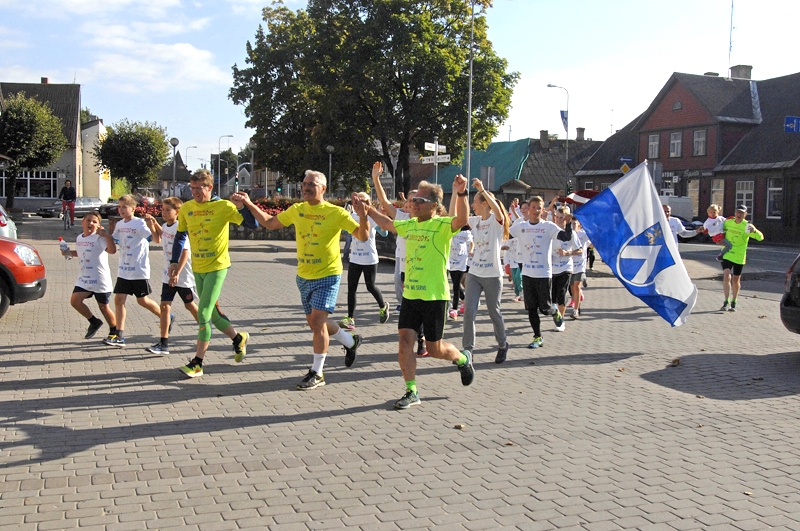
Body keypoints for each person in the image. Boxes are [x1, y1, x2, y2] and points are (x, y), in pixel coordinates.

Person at [232, 169, 369, 390]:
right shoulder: (297, 210)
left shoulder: (336, 213)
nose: (305, 187)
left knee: (317, 323)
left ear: (323, 189)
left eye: (311, 184)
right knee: (316, 323)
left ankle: (317, 372)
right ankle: (350, 341)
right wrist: (249, 203)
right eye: (304, 184)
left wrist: (362, 216)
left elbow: (362, 236)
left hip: (328, 274)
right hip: (304, 275)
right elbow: (269, 222)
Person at [366, 174, 474, 410]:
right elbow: (386, 223)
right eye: (413, 200)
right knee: (405, 341)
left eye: (419, 201)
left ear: (434, 206)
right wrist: (366, 209)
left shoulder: (443, 225)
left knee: (435, 349)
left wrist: (463, 193)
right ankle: (411, 391)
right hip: (411, 296)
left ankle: (462, 358)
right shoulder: (410, 224)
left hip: (435, 297)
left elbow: (463, 218)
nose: (413, 204)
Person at [170, 170, 250, 378]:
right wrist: (173, 261)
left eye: (199, 188)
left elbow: (253, 224)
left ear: (210, 187)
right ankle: (237, 338)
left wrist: (243, 207)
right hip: (198, 267)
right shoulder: (187, 208)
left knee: (203, 313)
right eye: (192, 188)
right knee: (213, 315)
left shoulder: (223, 206)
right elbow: (180, 236)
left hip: (218, 266)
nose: (195, 192)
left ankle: (197, 363)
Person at [370, 162, 427, 356]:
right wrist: (376, 179)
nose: (412, 204)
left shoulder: (425, 221)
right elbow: (385, 203)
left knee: (416, 305)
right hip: (401, 268)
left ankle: (421, 339)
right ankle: (415, 335)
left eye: (416, 200)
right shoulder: (401, 217)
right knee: (404, 303)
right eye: (409, 201)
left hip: (420, 270)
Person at [509, 197, 573, 349]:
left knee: (544, 308)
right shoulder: (521, 226)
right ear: (528, 209)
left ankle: (555, 311)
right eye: (533, 207)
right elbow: (506, 234)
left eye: (539, 208)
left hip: (544, 273)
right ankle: (537, 336)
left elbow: (566, 237)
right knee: (531, 308)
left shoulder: (548, 227)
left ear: (543, 210)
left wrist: (568, 224)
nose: (536, 210)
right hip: (528, 273)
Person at [459, 178, 511, 364]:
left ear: (484, 204)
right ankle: (467, 351)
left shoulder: (496, 222)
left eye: (475, 201)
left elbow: (498, 211)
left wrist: (483, 189)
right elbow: (461, 215)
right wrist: (460, 192)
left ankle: (502, 344)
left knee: (493, 312)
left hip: (493, 275)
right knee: (469, 313)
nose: (473, 205)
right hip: (475, 273)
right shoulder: (474, 221)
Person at [103, 194, 162, 348]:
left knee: (142, 300)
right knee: (119, 300)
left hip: (138, 269)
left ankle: (166, 317)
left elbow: (154, 239)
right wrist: (102, 236)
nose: (121, 210)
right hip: (124, 269)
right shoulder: (120, 224)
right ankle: (119, 335)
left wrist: (152, 225)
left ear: (133, 208)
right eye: (119, 207)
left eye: (124, 207)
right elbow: (114, 240)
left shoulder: (139, 224)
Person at [144, 197, 199, 355]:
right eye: (163, 209)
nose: (164, 212)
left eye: (168, 210)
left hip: (182, 275)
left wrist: (177, 273)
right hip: (167, 273)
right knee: (164, 306)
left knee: (189, 305)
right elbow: (159, 238)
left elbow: (185, 253)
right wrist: (153, 224)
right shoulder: (166, 226)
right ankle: (163, 343)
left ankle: (204, 327)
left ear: (178, 212)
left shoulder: (180, 228)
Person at [62, 210, 118, 340]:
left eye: (94, 222)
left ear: (98, 226)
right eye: (88, 220)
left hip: (99, 279)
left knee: (104, 307)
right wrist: (68, 253)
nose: (91, 223)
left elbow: (112, 251)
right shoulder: (79, 237)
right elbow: (81, 253)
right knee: (75, 301)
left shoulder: (100, 238)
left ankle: (115, 332)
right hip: (85, 278)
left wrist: (107, 236)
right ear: (82, 222)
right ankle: (94, 322)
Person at [339, 191, 390, 330]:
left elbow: (384, 233)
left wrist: (383, 216)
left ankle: (382, 306)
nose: (359, 203)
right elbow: (345, 231)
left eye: (363, 201)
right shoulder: (352, 216)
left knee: (370, 286)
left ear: (368, 203)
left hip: (370, 259)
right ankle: (350, 318)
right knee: (351, 288)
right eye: (357, 201)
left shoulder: (372, 217)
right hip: (355, 258)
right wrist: (346, 215)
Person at [719, 205, 764, 312]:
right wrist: (718, 239)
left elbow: (761, 238)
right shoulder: (728, 223)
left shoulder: (747, 226)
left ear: (745, 215)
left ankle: (734, 301)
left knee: (736, 279)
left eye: (741, 213)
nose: (739, 215)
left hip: (739, 256)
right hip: (727, 254)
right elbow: (719, 231)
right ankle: (726, 301)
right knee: (726, 276)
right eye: (737, 212)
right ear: (735, 213)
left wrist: (754, 231)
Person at [550, 206, 580, 331]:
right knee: (551, 298)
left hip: (565, 267)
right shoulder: (551, 231)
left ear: (567, 219)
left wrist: (567, 253)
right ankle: (556, 312)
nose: (559, 220)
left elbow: (580, 250)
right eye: (557, 217)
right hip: (551, 268)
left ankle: (560, 321)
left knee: (561, 293)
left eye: (562, 218)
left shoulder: (571, 234)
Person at [447, 227, 473, 320]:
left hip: (462, 260)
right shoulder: (450, 230)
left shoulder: (465, 232)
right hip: (451, 260)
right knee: (455, 283)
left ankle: (454, 309)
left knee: (456, 285)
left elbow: (471, 242)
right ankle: (464, 299)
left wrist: (471, 250)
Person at [569, 219, 590, 319]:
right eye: (572, 224)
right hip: (570, 265)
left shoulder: (583, 234)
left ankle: (575, 311)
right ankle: (578, 301)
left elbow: (593, 238)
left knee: (576, 286)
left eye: (575, 224)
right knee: (573, 288)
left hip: (580, 265)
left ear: (579, 226)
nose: (573, 226)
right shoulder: (568, 234)